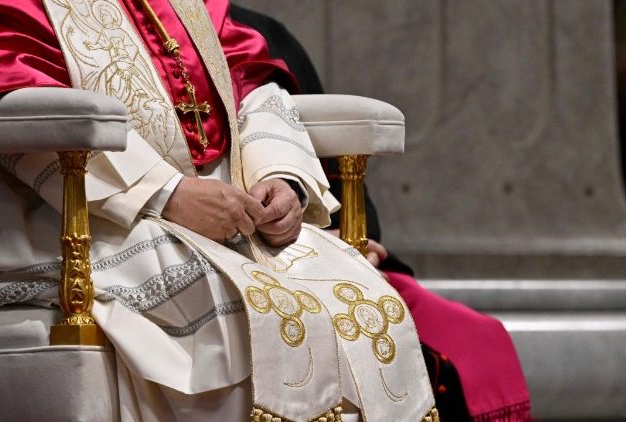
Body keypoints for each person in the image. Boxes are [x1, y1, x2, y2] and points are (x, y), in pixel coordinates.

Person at [0, 0, 438, 421]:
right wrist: (165, 193)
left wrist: (280, 177)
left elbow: (245, 79)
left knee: (355, 293)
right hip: (55, 217)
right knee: (233, 306)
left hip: (220, 207)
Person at [227, 5, 532, 422]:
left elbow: (334, 175)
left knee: (475, 342)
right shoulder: (137, 50)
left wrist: (354, 241)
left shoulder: (252, 36)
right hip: (232, 259)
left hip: (322, 244)